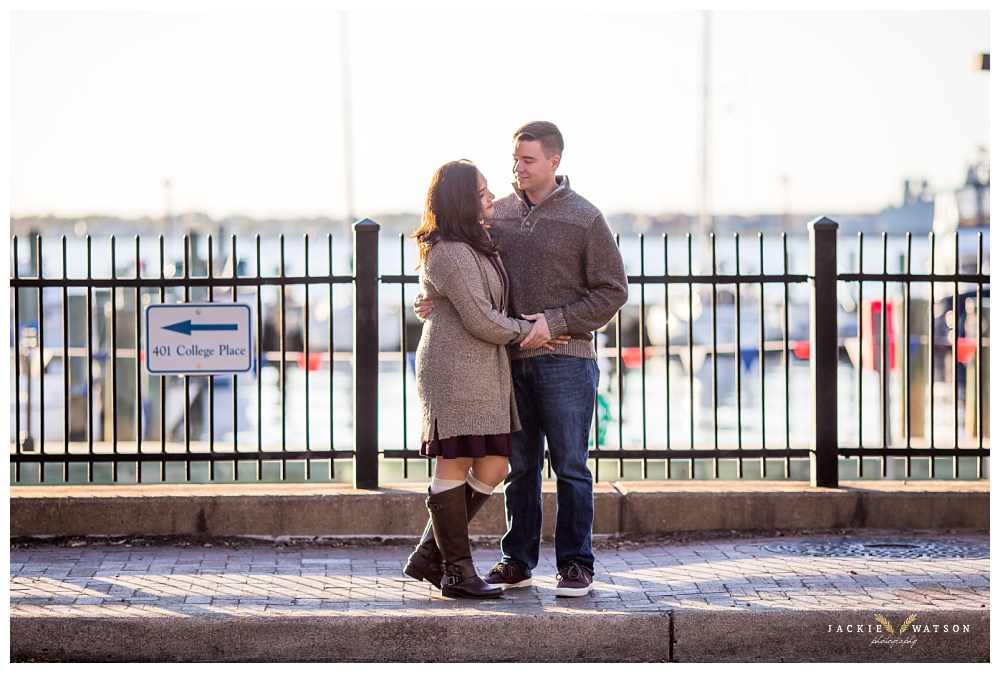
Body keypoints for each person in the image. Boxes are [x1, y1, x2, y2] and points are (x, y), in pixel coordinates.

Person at [416, 122, 628, 597]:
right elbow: (461, 270)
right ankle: (518, 559)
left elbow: (614, 291)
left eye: (528, 160)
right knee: (520, 465)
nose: (518, 168)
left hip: (566, 358)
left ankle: (575, 564)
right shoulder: (497, 216)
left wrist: (552, 324)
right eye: (515, 159)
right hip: (505, 361)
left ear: (554, 161)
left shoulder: (585, 218)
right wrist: (432, 299)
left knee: (571, 466)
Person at [403, 159, 564, 599]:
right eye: (482, 192)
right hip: (454, 369)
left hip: (486, 369)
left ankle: (427, 554)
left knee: (494, 465)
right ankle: (456, 571)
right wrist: (531, 333)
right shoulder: (450, 251)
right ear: (461, 200)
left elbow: (478, 307)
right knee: (453, 462)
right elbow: (479, 318)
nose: (492, 197)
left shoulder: (475, 244)